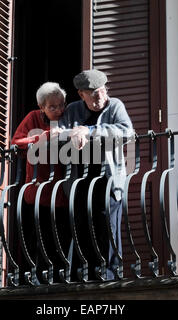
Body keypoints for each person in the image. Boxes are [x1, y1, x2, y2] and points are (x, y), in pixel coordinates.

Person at [57, 69, 134, 280]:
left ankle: (109, 277)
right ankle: (80, 277)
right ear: (81, 94)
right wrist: (72, 132)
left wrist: (89, 132)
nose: (99, 96)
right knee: (81, 227)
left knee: (108, 228)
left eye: (101, 91)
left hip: (108, 182)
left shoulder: (115, 106)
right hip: (80, 182)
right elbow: (57, 135)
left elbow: (127, 131)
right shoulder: (72, 110)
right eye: (93, 93)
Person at [11, 82, 70, 284]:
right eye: (53, 107)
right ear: (42, 107)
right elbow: (16, 142)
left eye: (61, 105)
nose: (59, 110)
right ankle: (34, 278)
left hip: (62, 190)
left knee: (59, 237)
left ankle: (58, 277)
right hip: (37, 190)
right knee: (38, 236)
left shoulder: (68, 118)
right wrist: (43, 136)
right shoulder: (33, 118)